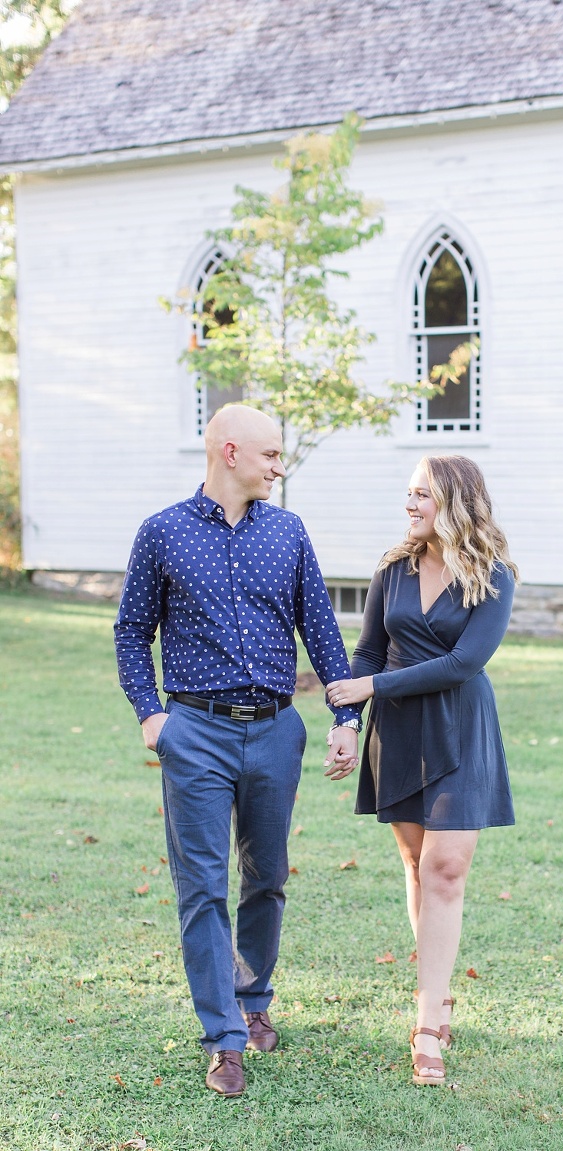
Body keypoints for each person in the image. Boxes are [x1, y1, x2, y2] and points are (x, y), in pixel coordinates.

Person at [114, 405, 361, 1098]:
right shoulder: (161, 532)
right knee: (201, 888)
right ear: (229, 451)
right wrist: (152, 716)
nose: (279, 467)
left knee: (267, 876)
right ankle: (224, 1038)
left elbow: (322, 627)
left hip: (276, 729)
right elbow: (131, 630)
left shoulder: (288, 531)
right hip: (196, 731)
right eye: (271, 455)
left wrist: (345, 713)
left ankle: (254, 1000)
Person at [326, 454, 516, 1086]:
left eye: (423, 496)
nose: (410, 506)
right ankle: (438, 994)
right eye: (407, 493)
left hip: (461, 730)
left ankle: (427, 1023)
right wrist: (348, 725)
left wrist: (370, 686)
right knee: (415, 865)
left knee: (445, 867)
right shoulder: (394, 569)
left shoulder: (494, 575)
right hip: (400, 732)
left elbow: (464, 663)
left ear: (456, 502)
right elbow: (368, 648)